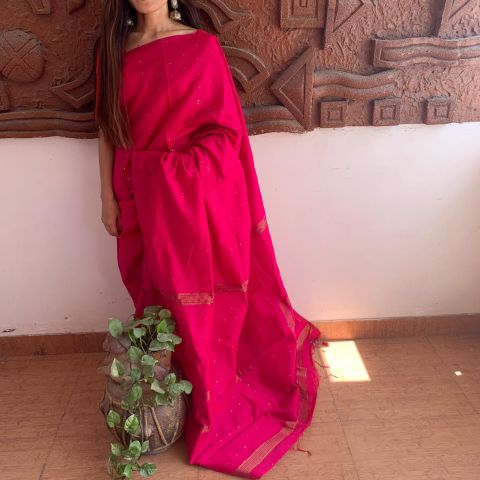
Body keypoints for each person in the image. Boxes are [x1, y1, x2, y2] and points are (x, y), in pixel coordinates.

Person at [95, 1, 323, 478]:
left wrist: (176, 171)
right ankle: (172, 390)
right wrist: (107, 197)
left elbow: (225, 131)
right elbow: (107, 129)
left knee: (204, 301)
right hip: (140, 198)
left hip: (197, 201)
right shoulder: (113, 51)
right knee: (156, 296)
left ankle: (207, 392)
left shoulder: (200, 47)